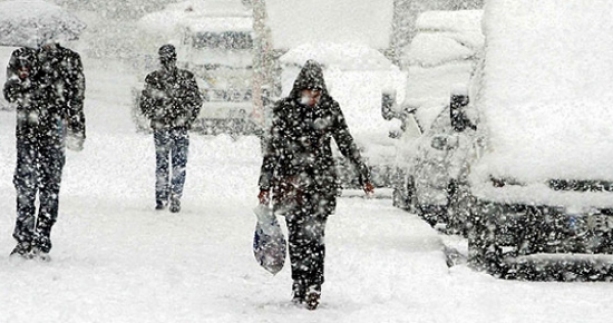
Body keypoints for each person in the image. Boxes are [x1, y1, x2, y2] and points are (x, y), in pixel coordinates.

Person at [257, 60, 375, 310]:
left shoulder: (329, 109)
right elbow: (272, 150)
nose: (313, 97)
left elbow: (345, 141)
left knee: (316, 237)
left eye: (317, 92)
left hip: (320, 183)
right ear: (299, 89)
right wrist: (265, 183)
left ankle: (314, 285)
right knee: (297, 236)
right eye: (308, 92)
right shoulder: (285, 110)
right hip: (291, 184)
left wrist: (362, 173)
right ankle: (299, 283)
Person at [3, 39, 86, 260]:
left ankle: (42, 239)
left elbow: (76, 98)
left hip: (54, 129)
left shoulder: (70, 59)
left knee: (50, 185)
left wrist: (77, 128)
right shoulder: (22, 56)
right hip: (28, 130)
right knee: (26, 184)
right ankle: (24, 240)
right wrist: (26, 82)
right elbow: (9, 94)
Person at [139, 44, 203, 213]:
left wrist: (158, 114)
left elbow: (145, 104)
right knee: (177, 163)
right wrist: (186, 118)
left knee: (164, 163)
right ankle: (174, 195)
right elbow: (195, 102)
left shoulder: (154, 79)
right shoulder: (185, 78)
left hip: (165, 127)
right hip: (177, 127)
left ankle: (164, 197)